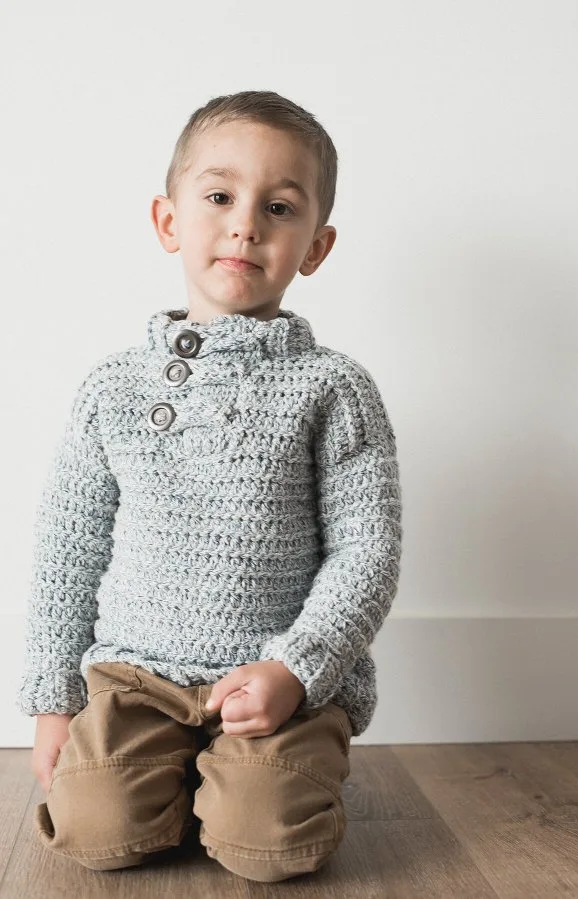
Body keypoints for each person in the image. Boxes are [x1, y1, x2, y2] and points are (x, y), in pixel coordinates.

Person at [16, 89, 403, 882]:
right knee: (92, 833)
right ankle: (178, 779)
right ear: (168, 221)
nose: (245, 223)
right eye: (220, 196)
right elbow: (68, 547)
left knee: (270, 846)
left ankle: (253, 776)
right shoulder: (111, 389)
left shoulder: (333, 389)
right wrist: (54, 700)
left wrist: (298, 667)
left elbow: (368, 551)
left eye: (280, 206)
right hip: (134, 677)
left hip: (277, 677)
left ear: (316, 246)